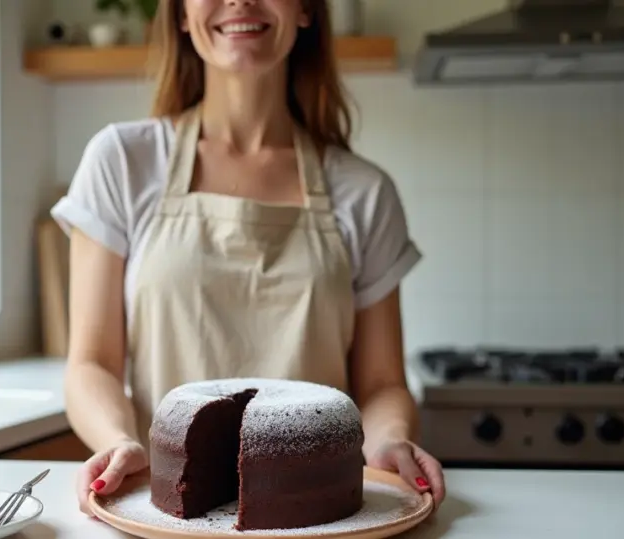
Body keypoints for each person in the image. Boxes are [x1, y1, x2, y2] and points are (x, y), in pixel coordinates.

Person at [51, 0, 446, 517]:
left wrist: (388, 439)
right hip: (167, 513)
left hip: (317, 516)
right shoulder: (122, 163)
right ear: (180, 14)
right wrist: (118, 440)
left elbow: (381, 385)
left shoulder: (365, 192)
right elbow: (91, 364)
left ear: (305, 10)